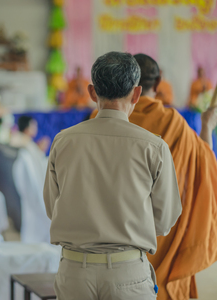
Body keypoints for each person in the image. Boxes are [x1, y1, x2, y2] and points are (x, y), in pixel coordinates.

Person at [44, 52, 182, 300]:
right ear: (137, 94)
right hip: (127, 272)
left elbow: (52, 207)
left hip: (74, 273)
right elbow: (164, 221)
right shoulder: (153, 147)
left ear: (92, 92)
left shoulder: (63, 141)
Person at [91, 53, 217, 300]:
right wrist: (207, 126)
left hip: (102, 249)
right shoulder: (172, 122)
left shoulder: (95, 122)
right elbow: (204, 163)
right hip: (158, 236)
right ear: (159, 82)